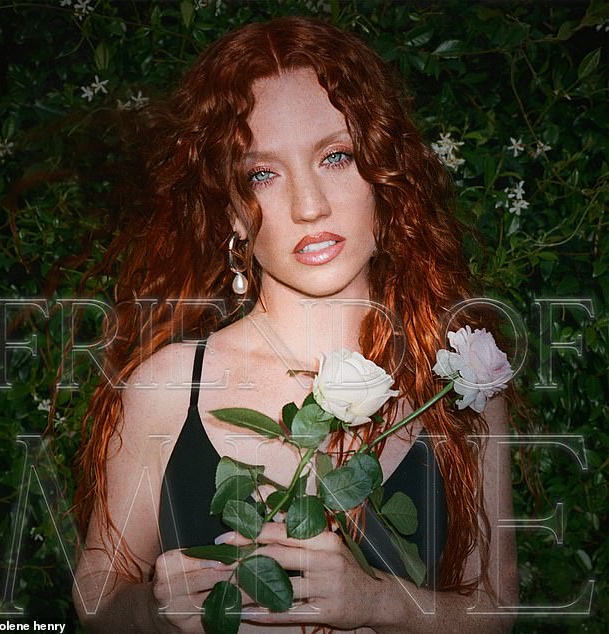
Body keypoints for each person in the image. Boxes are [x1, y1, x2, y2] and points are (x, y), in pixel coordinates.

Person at [72, 15, 518, 633]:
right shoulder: (166, 388)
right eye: (263, 174)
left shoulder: (461, 382)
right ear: (232, 211)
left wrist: (379, 601)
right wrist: (151, 610)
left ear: (384, 174)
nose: (309, 206)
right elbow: (95, 597)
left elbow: (495, 613)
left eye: (336, 156)